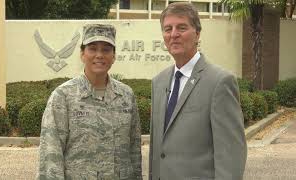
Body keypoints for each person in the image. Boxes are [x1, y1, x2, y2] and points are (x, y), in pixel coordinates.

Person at [149, 2, 247, 180]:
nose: (173, 35)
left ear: (197, 33)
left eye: (182, 27)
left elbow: (231, 154)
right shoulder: (158, 82)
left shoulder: (220, 82)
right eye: (167, 29)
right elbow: (158, 151)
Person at [37, 24, 142, 180]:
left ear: (113, 56)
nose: (99, 55)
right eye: (92, 48)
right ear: (82, 54)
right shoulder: (63, 96)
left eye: (106, 49)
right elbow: (51, 153)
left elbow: (134, 150)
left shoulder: (126, 95)